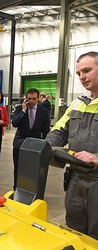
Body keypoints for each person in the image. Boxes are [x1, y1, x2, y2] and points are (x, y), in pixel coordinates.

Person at [46, 51, 98, 240]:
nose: (82, 77)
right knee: (74, 231)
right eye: (78, 74)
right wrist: (44, 147)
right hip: (75, 181)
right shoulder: (78, 103)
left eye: (86, 71)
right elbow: (59, 130)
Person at [11, 88, 50, 190]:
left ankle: (30, 190)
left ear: (38, 99)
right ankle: (17, 189)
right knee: (18, 169)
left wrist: (43, 144)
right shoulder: (20, 109)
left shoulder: (44, 111)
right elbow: (14, 123)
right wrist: (23, 111)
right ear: (26, 98)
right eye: (29, 99)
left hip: (35, 145)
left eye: (34, 99)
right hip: (20, 144)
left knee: (32, 170)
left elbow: (46, 130)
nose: (31, 101)